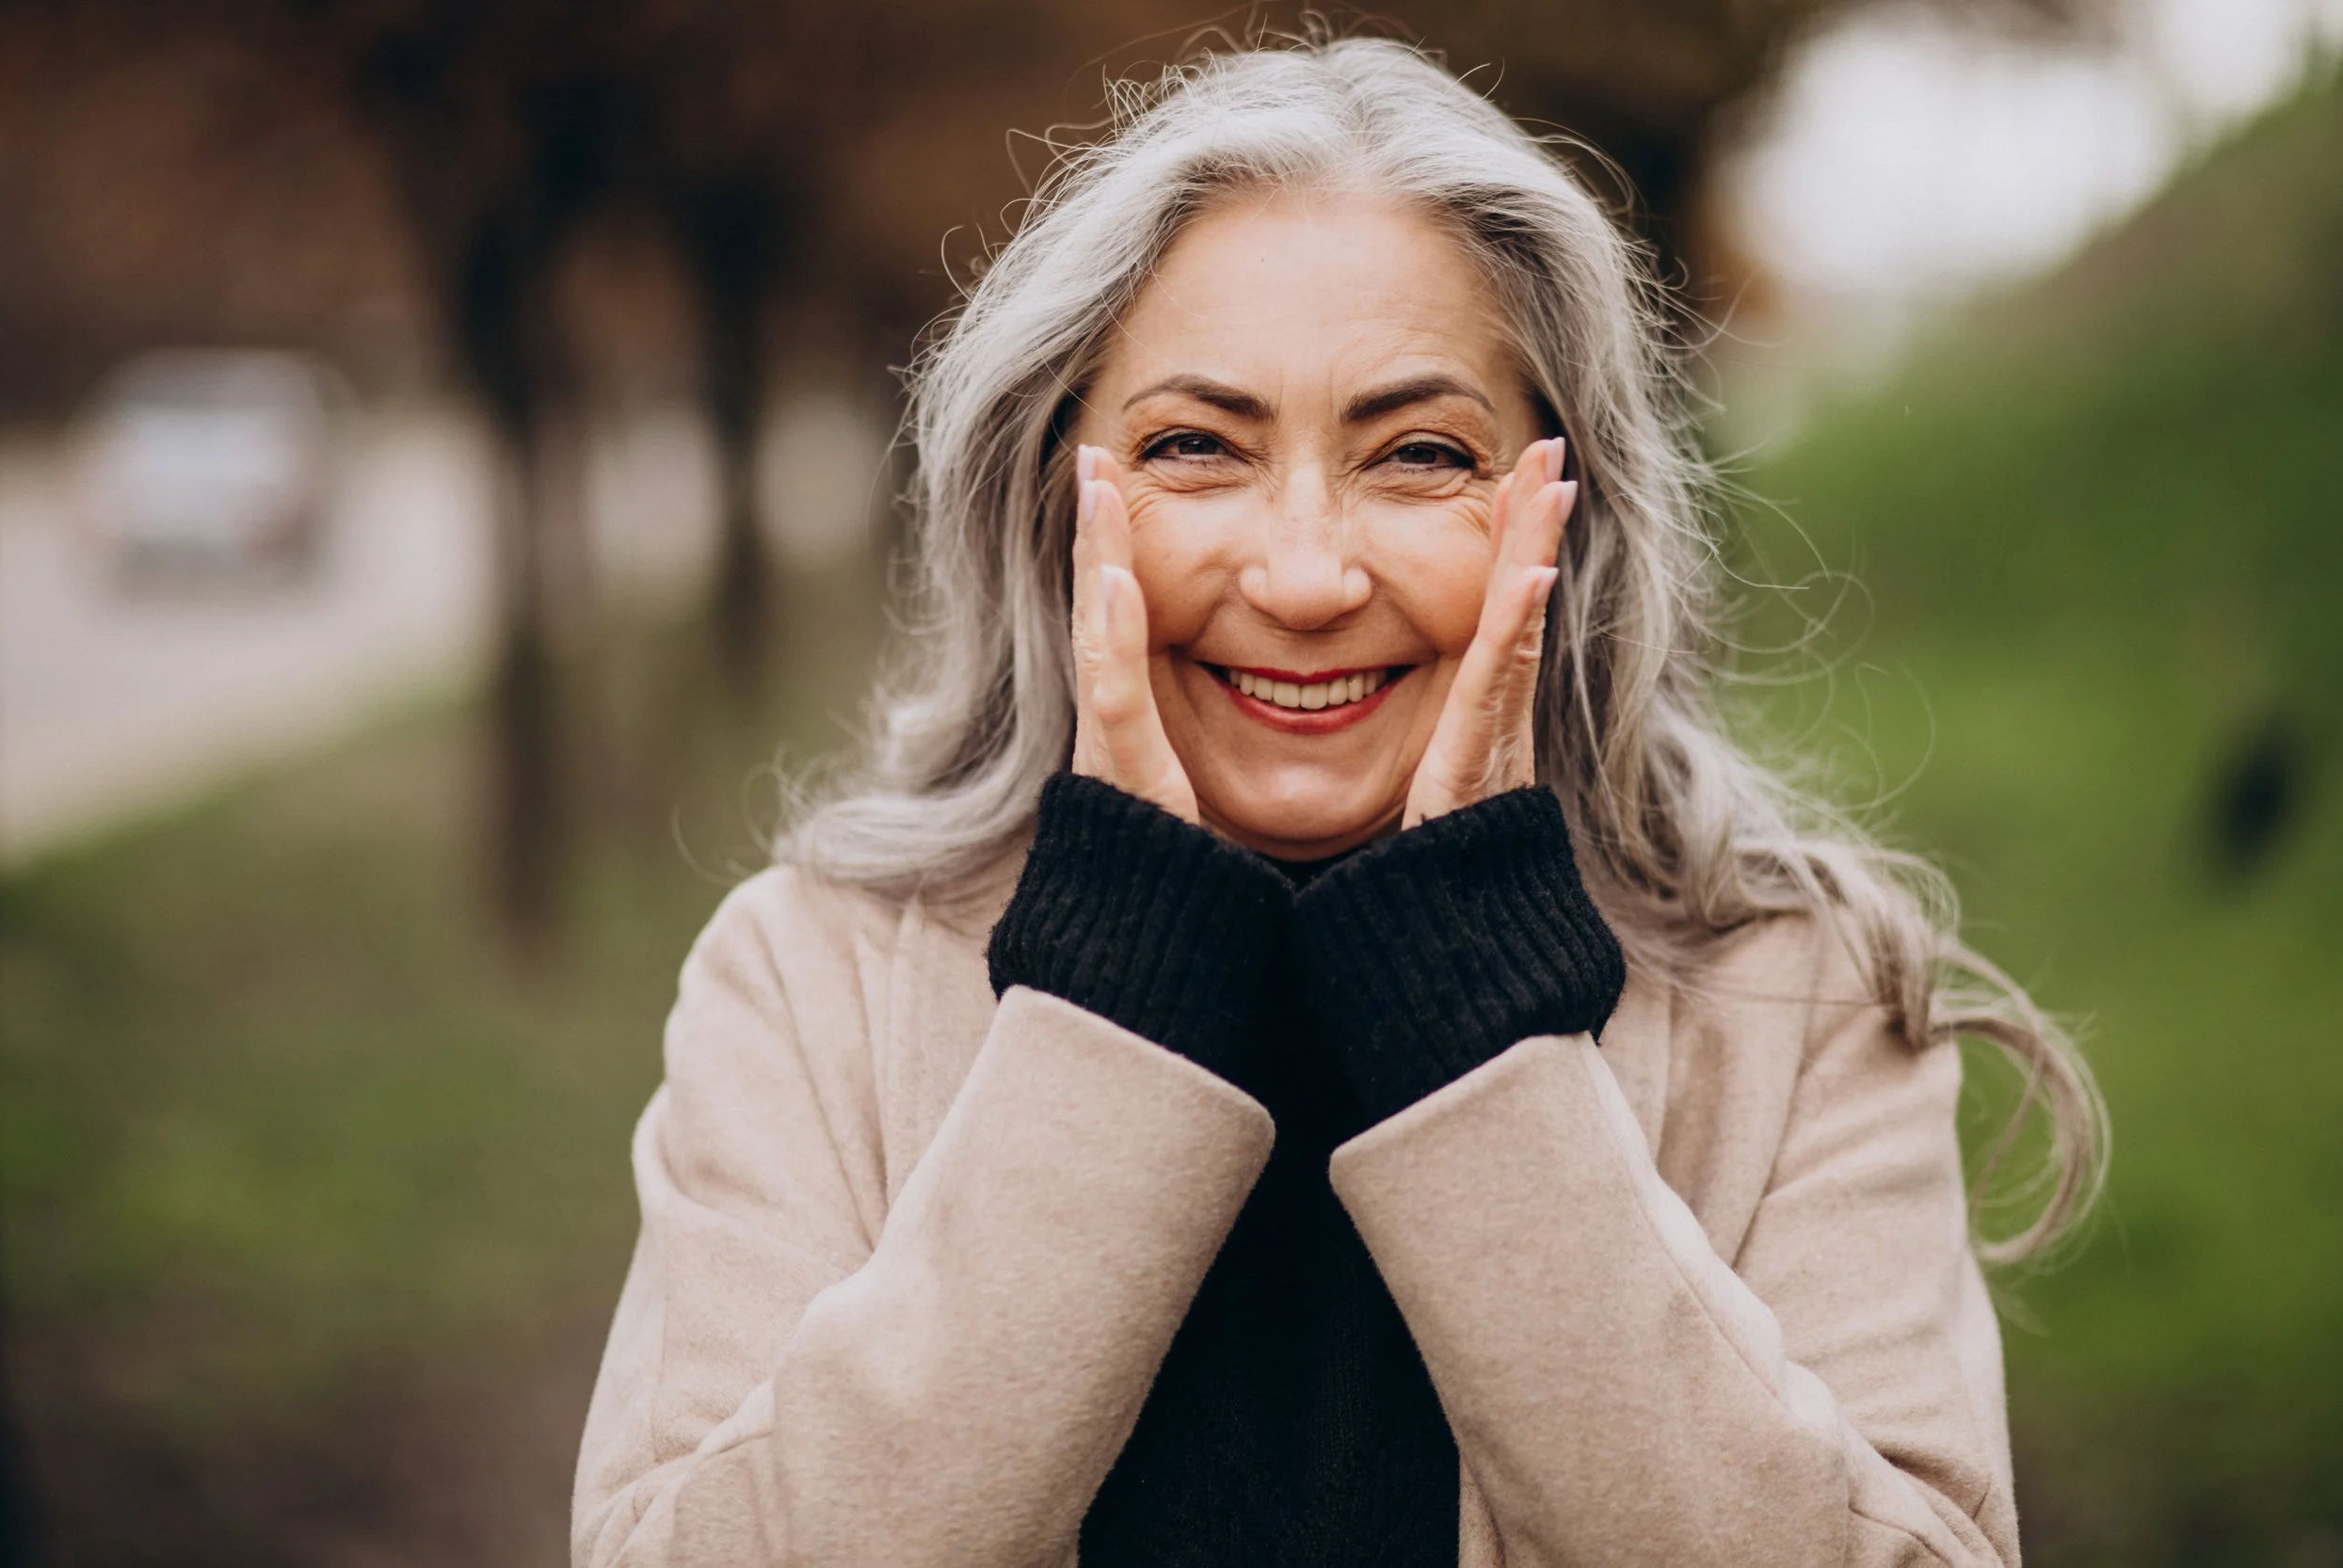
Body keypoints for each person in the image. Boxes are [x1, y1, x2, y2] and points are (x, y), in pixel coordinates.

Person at [571, 37, 2104, 1568]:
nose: (1305, 577)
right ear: (1054, 500)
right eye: (1195, 447)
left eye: (1419, 454)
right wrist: (1112, 1007)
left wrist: (1476, 1025)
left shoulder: (1799, 990)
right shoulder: (812, 973)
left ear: (1566, 519)